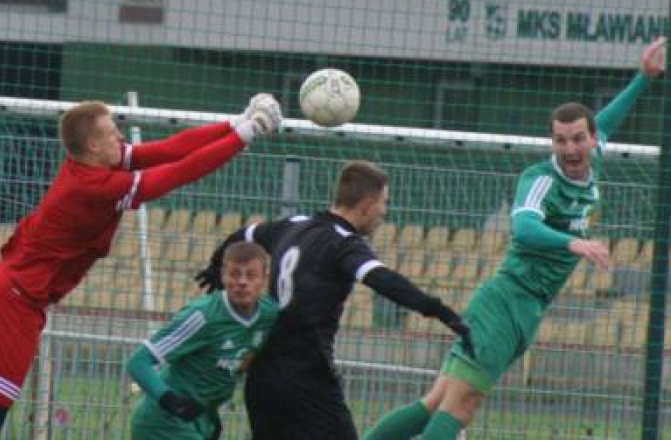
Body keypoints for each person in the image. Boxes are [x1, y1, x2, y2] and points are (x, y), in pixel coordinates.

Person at [0, 94, 283, 440]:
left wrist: (235, 123)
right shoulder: (95, 186)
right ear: (92, 145)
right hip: (13, 298)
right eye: (112, 132)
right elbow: (176, 173)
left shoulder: (93, 166)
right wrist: (246, 134)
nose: (120, 137)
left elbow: (169, 149)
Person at [362, 36, 666, 440]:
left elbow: (607, 120)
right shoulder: (541, 179)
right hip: (507, 300)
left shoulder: (594, 153)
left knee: (434, 403)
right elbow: (523, 227)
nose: (569, 148)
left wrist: (642, 79)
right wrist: (571, 242)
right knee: (461, 405)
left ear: (591, 140)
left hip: (525, 307)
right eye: (560, 140)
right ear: (552, 142)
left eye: (578, 138)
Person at [195, 160, 472, 440]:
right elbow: (383, 280)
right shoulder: (344, 243)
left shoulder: (294, 225)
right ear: (367, 203)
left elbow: (242, 235)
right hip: (307, 375)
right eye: (383, 203)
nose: (384, 212)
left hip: (264, 374)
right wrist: (438, 310)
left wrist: (215, 266)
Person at [126, 241, 279, 440]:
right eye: (235, 274)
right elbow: (138, 362)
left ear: (264, 279)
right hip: (164, 423)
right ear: (223, 274)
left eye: (250, 275)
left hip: (201, 419)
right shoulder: (203, 316)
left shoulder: (269, 315)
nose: (242, 282)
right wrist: (170, 400)